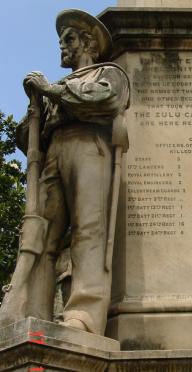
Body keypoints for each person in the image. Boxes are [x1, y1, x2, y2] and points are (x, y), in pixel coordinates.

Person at [0, 9, 130, 335]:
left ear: (88, 43)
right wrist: (34, 106)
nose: (63, 46)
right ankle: (33, 311)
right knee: (39, 234)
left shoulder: (108, 72)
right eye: (60, 40)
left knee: (89, 231)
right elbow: (26, 135)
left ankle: (83, 318)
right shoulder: (54, 87)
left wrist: (51, 92)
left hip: (89, 147)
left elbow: (106, 99)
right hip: (53, 154)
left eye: (69, 38)